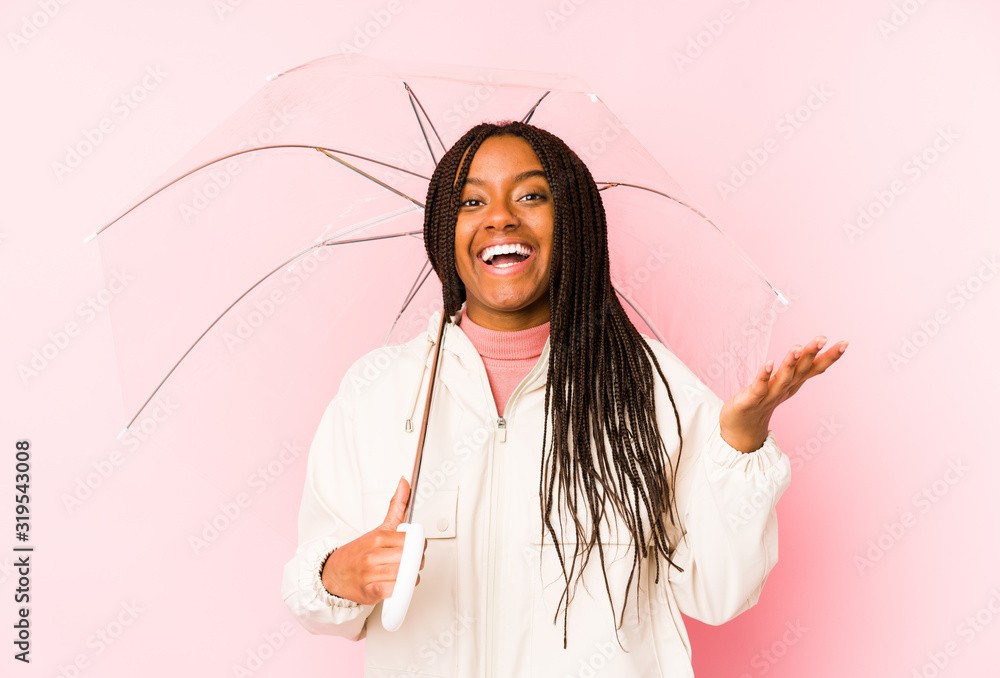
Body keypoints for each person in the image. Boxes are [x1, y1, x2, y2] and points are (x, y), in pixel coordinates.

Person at [282, 121, 847, 676]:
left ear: (574, 222)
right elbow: (312, 593)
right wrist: (340, 574)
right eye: (472, 202)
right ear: (441, 231)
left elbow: (719, 590)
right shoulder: (377, 391)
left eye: (531, 196)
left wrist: (742, 445)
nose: (500, 217)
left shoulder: (646, 382)